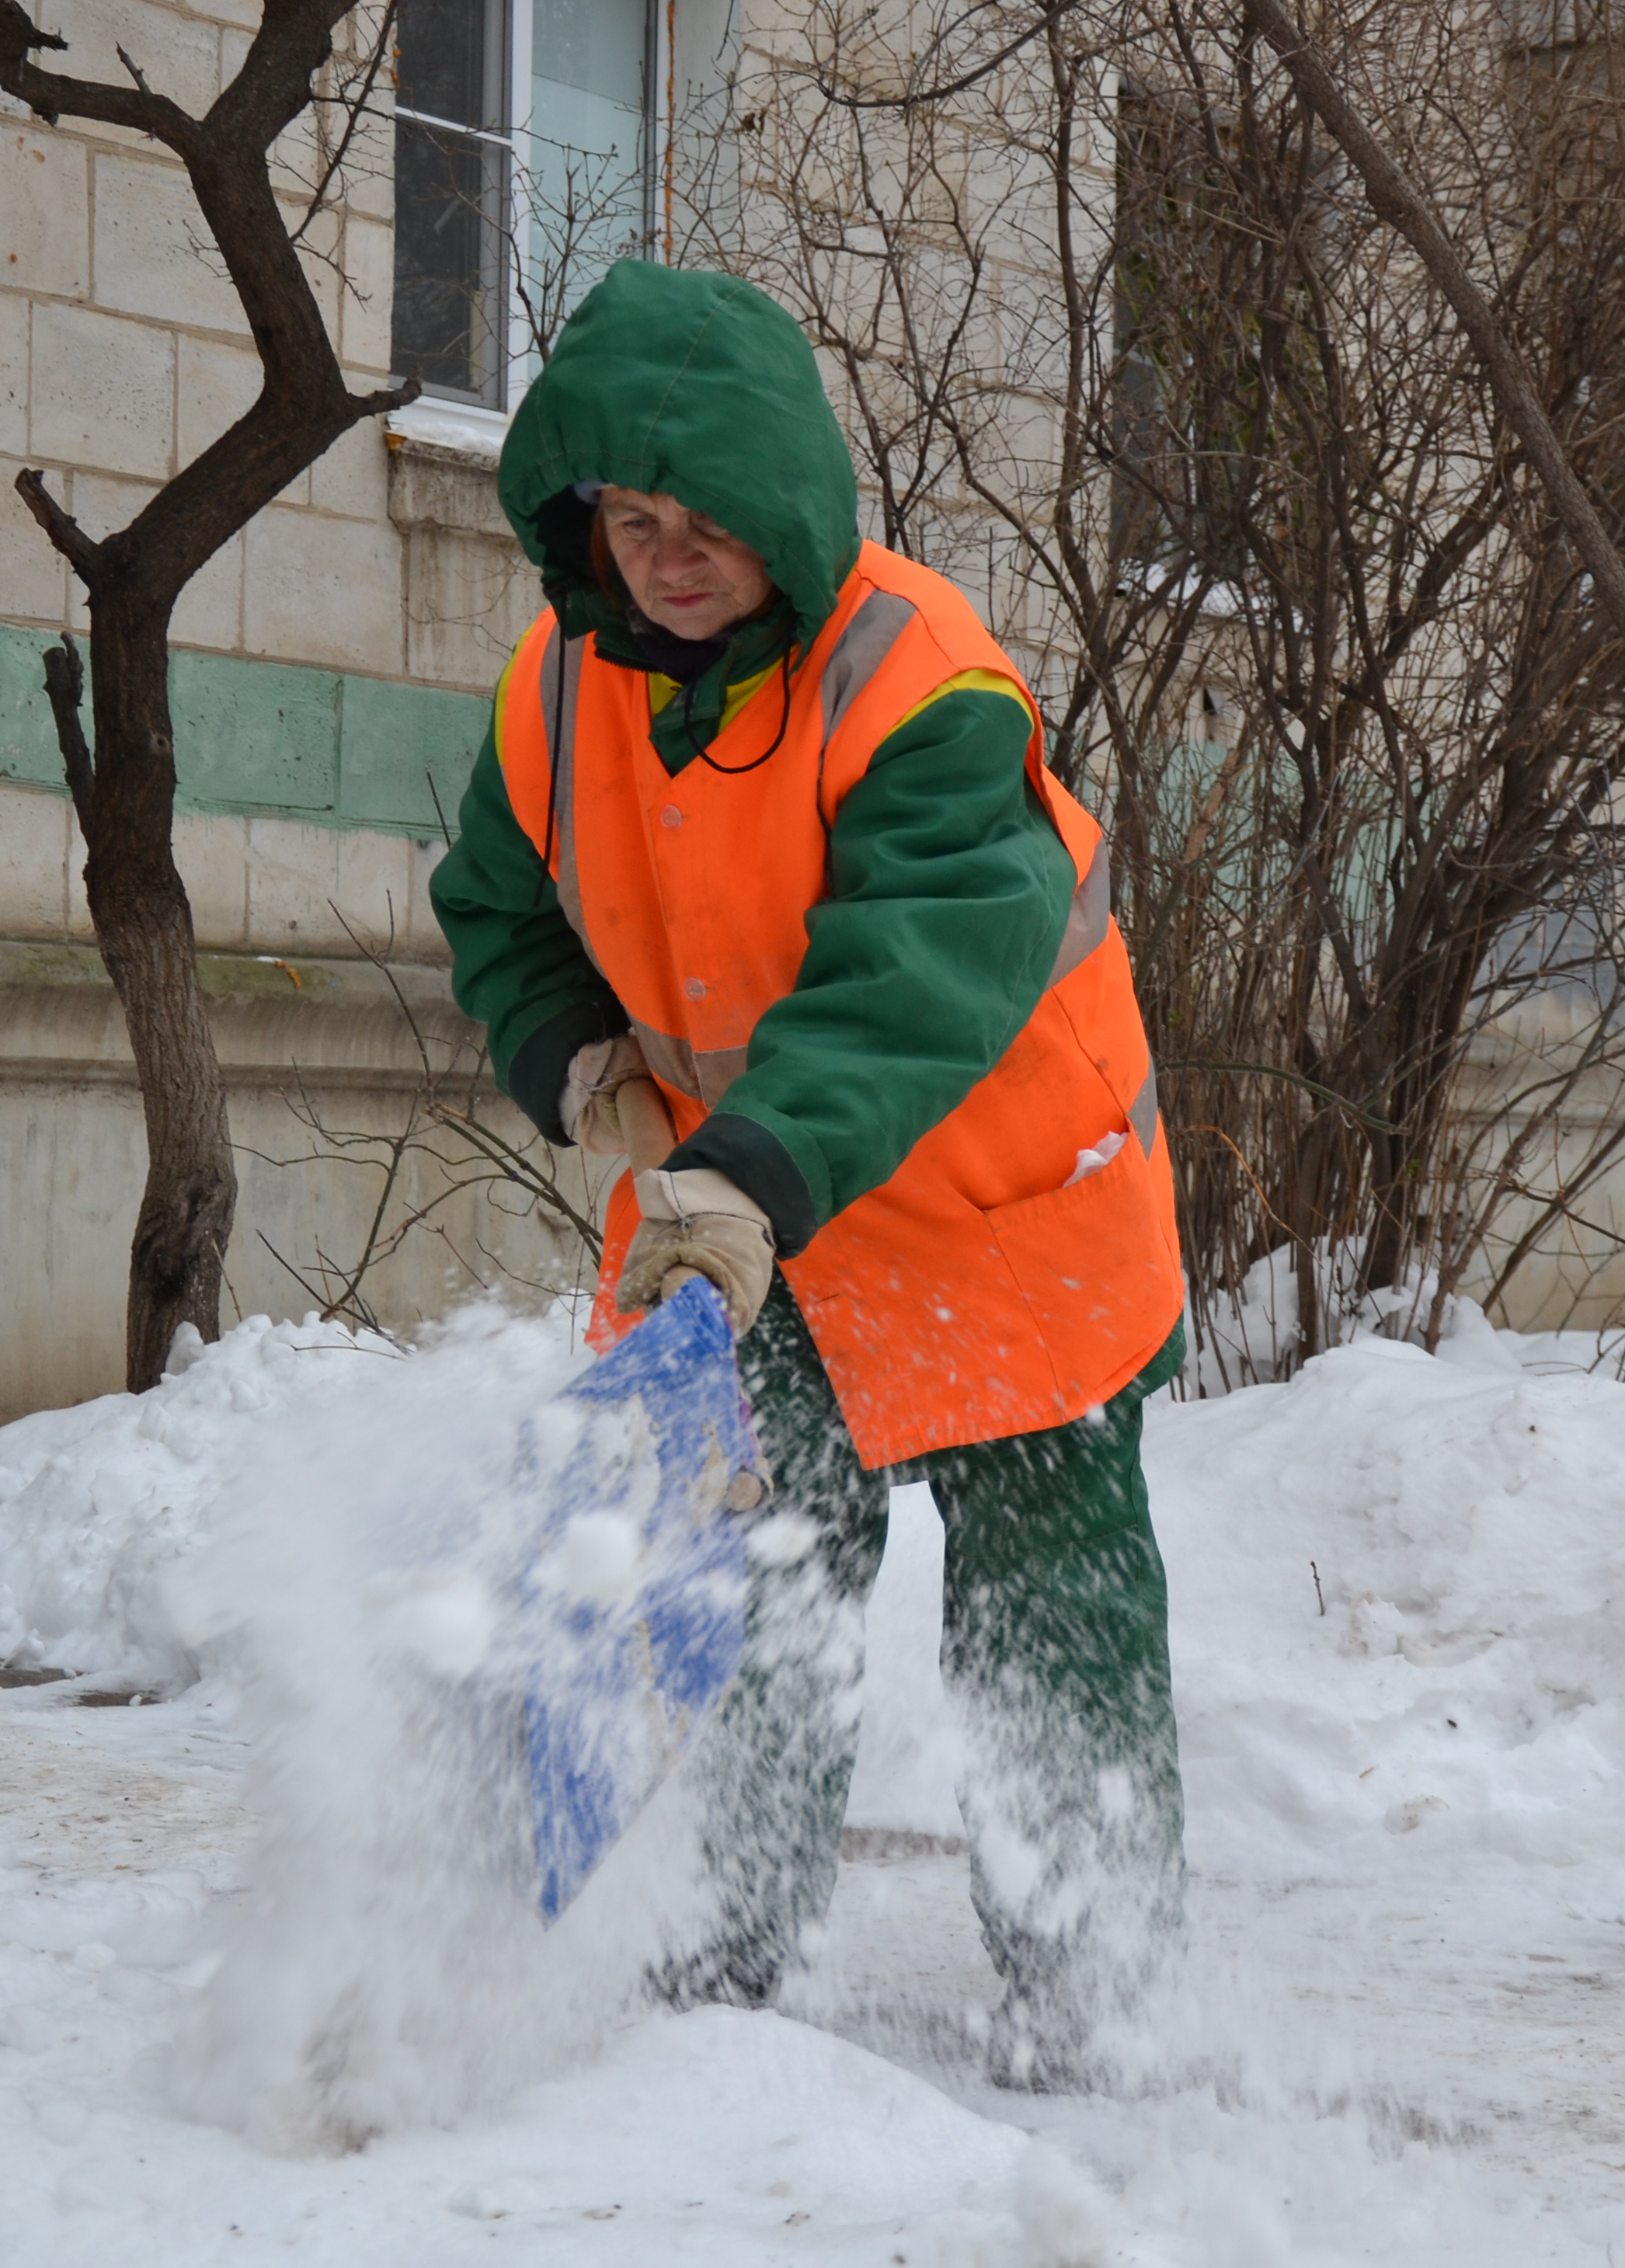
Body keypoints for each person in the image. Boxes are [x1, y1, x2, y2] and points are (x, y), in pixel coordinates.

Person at [426, 262, 1188, 2084]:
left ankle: (1087, 1993)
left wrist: (739, 1174)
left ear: (788, 504)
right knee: (744, 1578)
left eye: (708, 520)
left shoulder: (922, 686)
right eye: (630, 519)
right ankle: (728, 1959)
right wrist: (584, 1067)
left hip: (999, 1205)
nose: (671, 556)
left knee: (1045, 1619)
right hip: (739, 1227)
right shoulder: (553, 689)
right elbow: (498, 914)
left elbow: (913, 976)